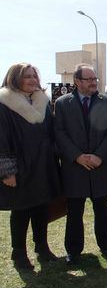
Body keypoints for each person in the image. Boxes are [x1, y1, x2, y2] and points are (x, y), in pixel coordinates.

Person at [55, 63, 107, 265]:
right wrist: (78, 156)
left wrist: (99, 156)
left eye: (95, 79)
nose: (93, 82)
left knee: (102, 208)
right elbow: (59, 133)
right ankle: (73, 251)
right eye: (89, 79)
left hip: (101, 165)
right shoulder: (63, 103)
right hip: (75, 166)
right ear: (77, 81)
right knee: (75, 210)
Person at [0, 63, 61, 270]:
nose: (33, 80)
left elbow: (52, 134)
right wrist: (7, 171)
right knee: (21, 210)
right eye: (28, 76)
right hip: (21, 167)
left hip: (43, 165)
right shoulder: (4, 103)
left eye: (35, 76)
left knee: (41, 207)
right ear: (15, 78)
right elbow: (1, 140)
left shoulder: (41, 102)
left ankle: (42, 248)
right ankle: (18, 254)